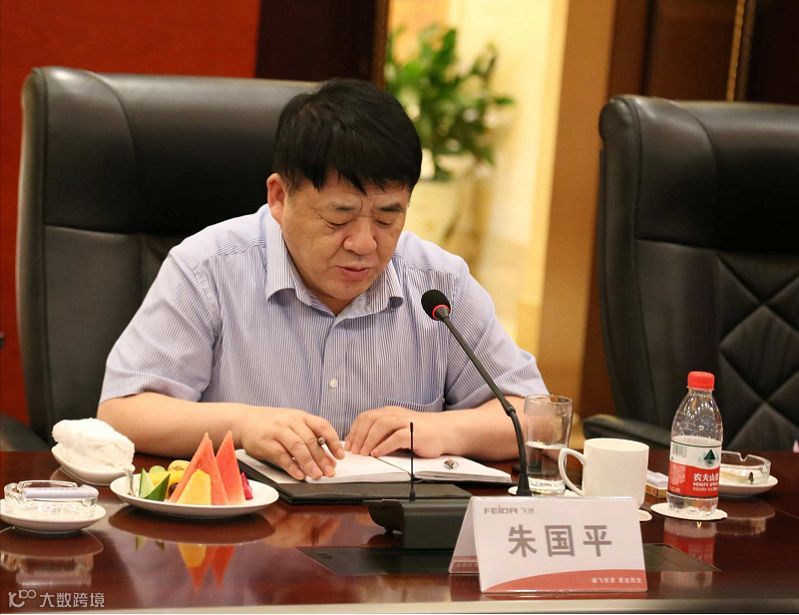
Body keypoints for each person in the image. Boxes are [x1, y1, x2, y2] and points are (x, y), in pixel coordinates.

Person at [98, 78, 547, 481]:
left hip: (388, 536)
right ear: (279, 197)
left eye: (388, 218)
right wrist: (244, 425)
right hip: (243, 534)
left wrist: (446, 429)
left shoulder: (437, 284)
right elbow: (122, 413)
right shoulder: (208, 268)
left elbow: (537, 417)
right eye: (338, 218)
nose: (364, 243)